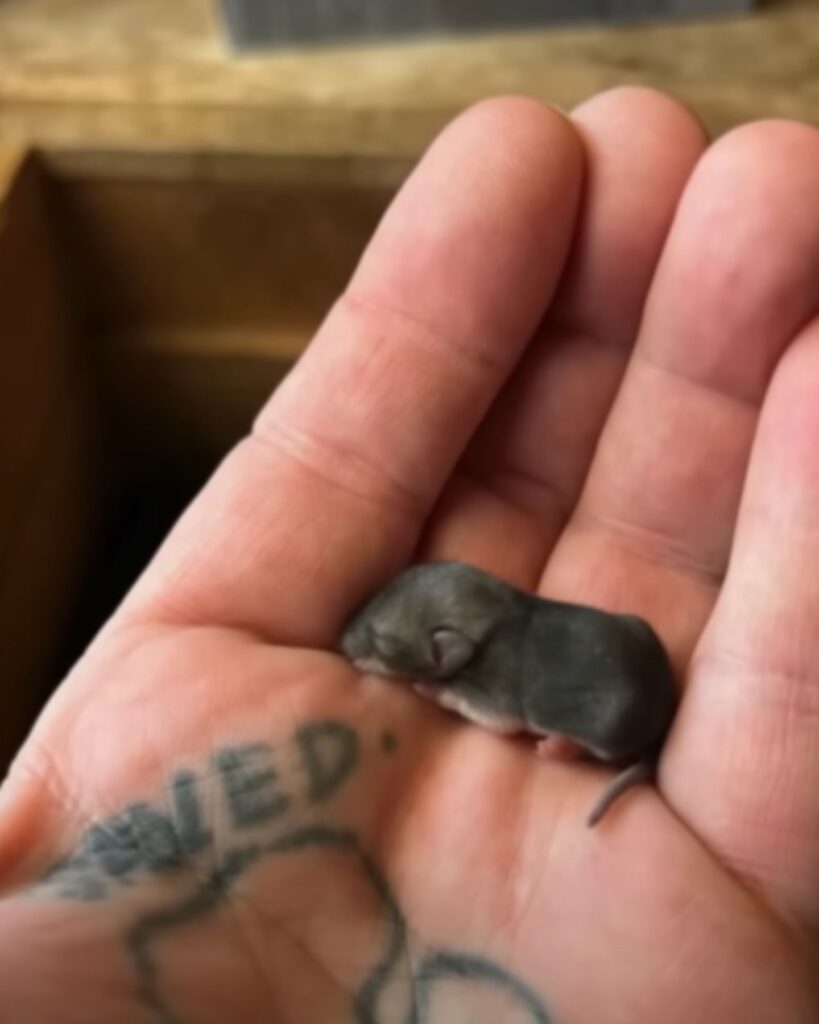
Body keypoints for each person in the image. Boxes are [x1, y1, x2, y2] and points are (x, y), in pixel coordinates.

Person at [1, 87, 818, 1023]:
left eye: (396, 652)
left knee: (562, 698)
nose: (367, 653)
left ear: (444, 654)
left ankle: (602, 741)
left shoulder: (492, 678)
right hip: (615, 663)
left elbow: (497, 711)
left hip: (606, 716)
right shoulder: (480, 623)